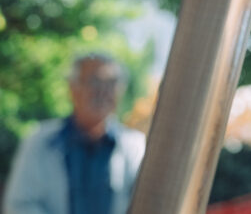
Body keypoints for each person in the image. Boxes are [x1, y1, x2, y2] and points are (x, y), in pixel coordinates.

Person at [3, 53, 146, 214]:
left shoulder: (135, 146)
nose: (102, 91)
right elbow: (20, 205)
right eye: (94, 82)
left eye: (111, 83)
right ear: (72, 88)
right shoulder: (39, 141)